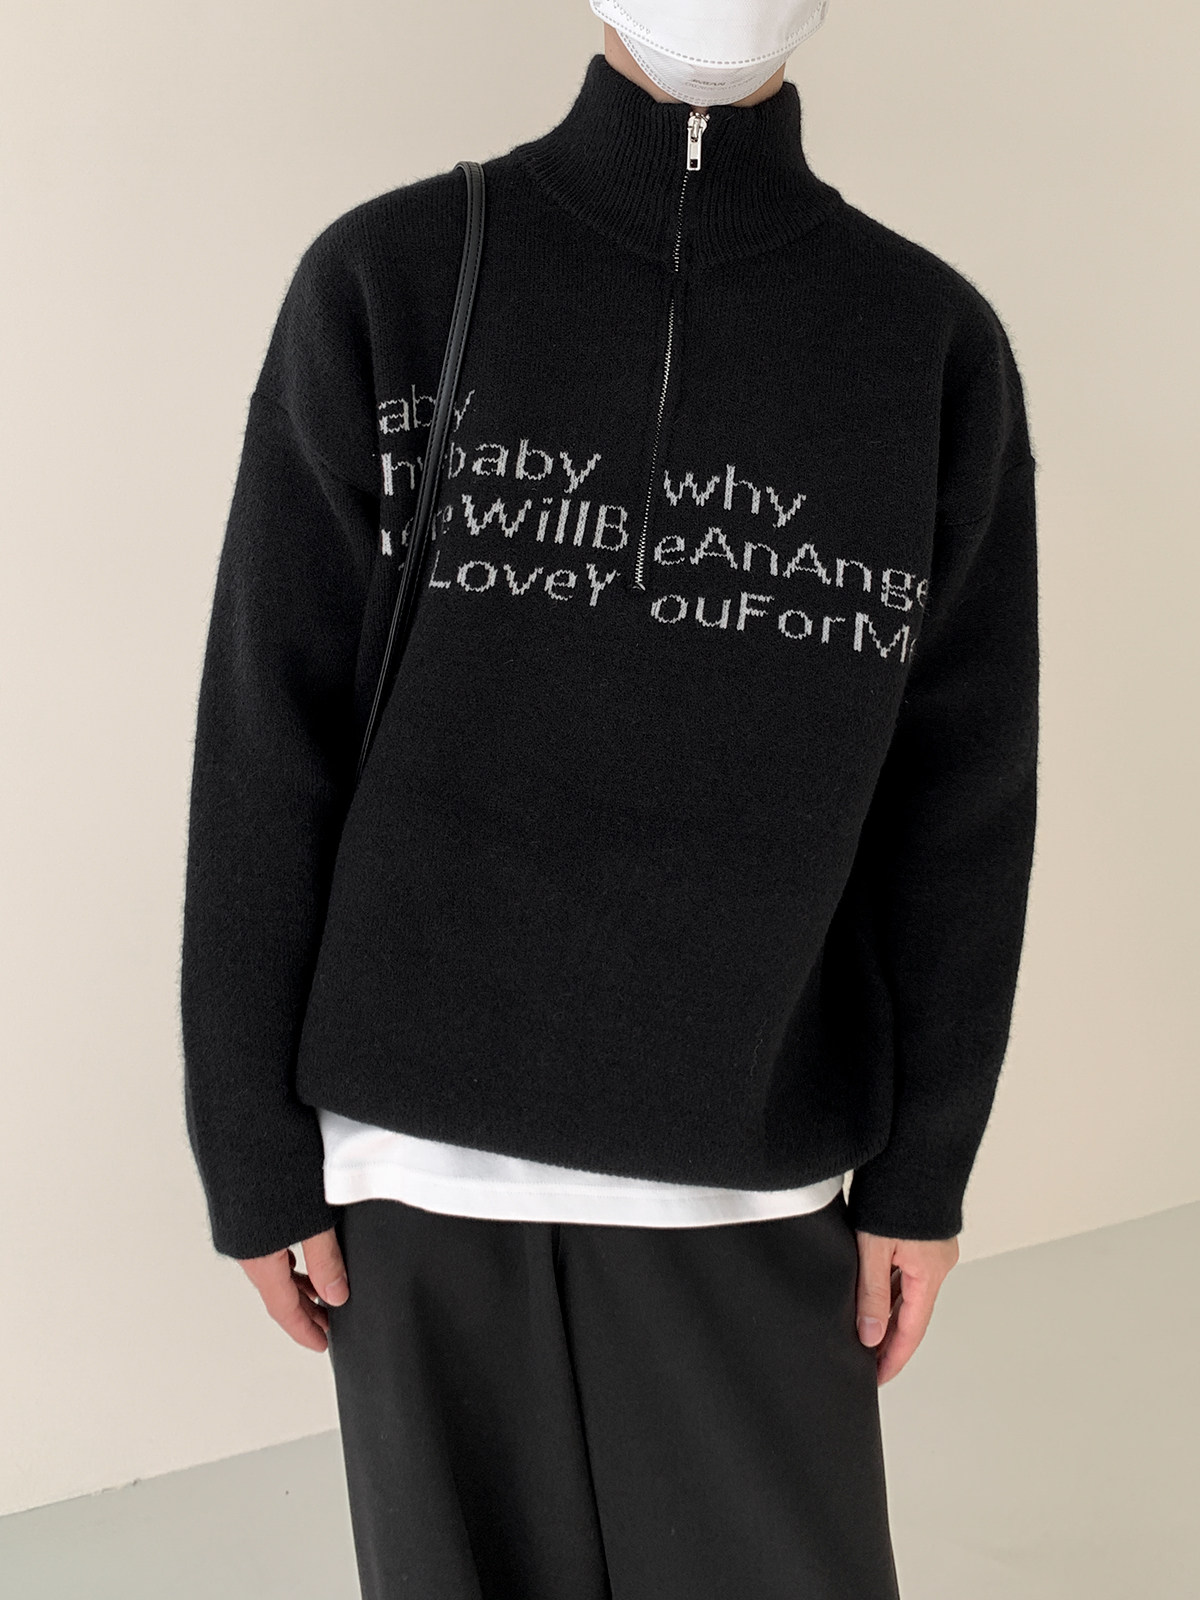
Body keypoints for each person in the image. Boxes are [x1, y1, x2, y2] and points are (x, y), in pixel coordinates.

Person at [180, 3, 1038, 1595]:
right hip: (413, 1167)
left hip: (753, 1167)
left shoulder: (923, 340)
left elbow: (962, 806)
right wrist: (249, 1147)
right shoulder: (389, 278)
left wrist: (929, 1169)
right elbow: (264, 736)